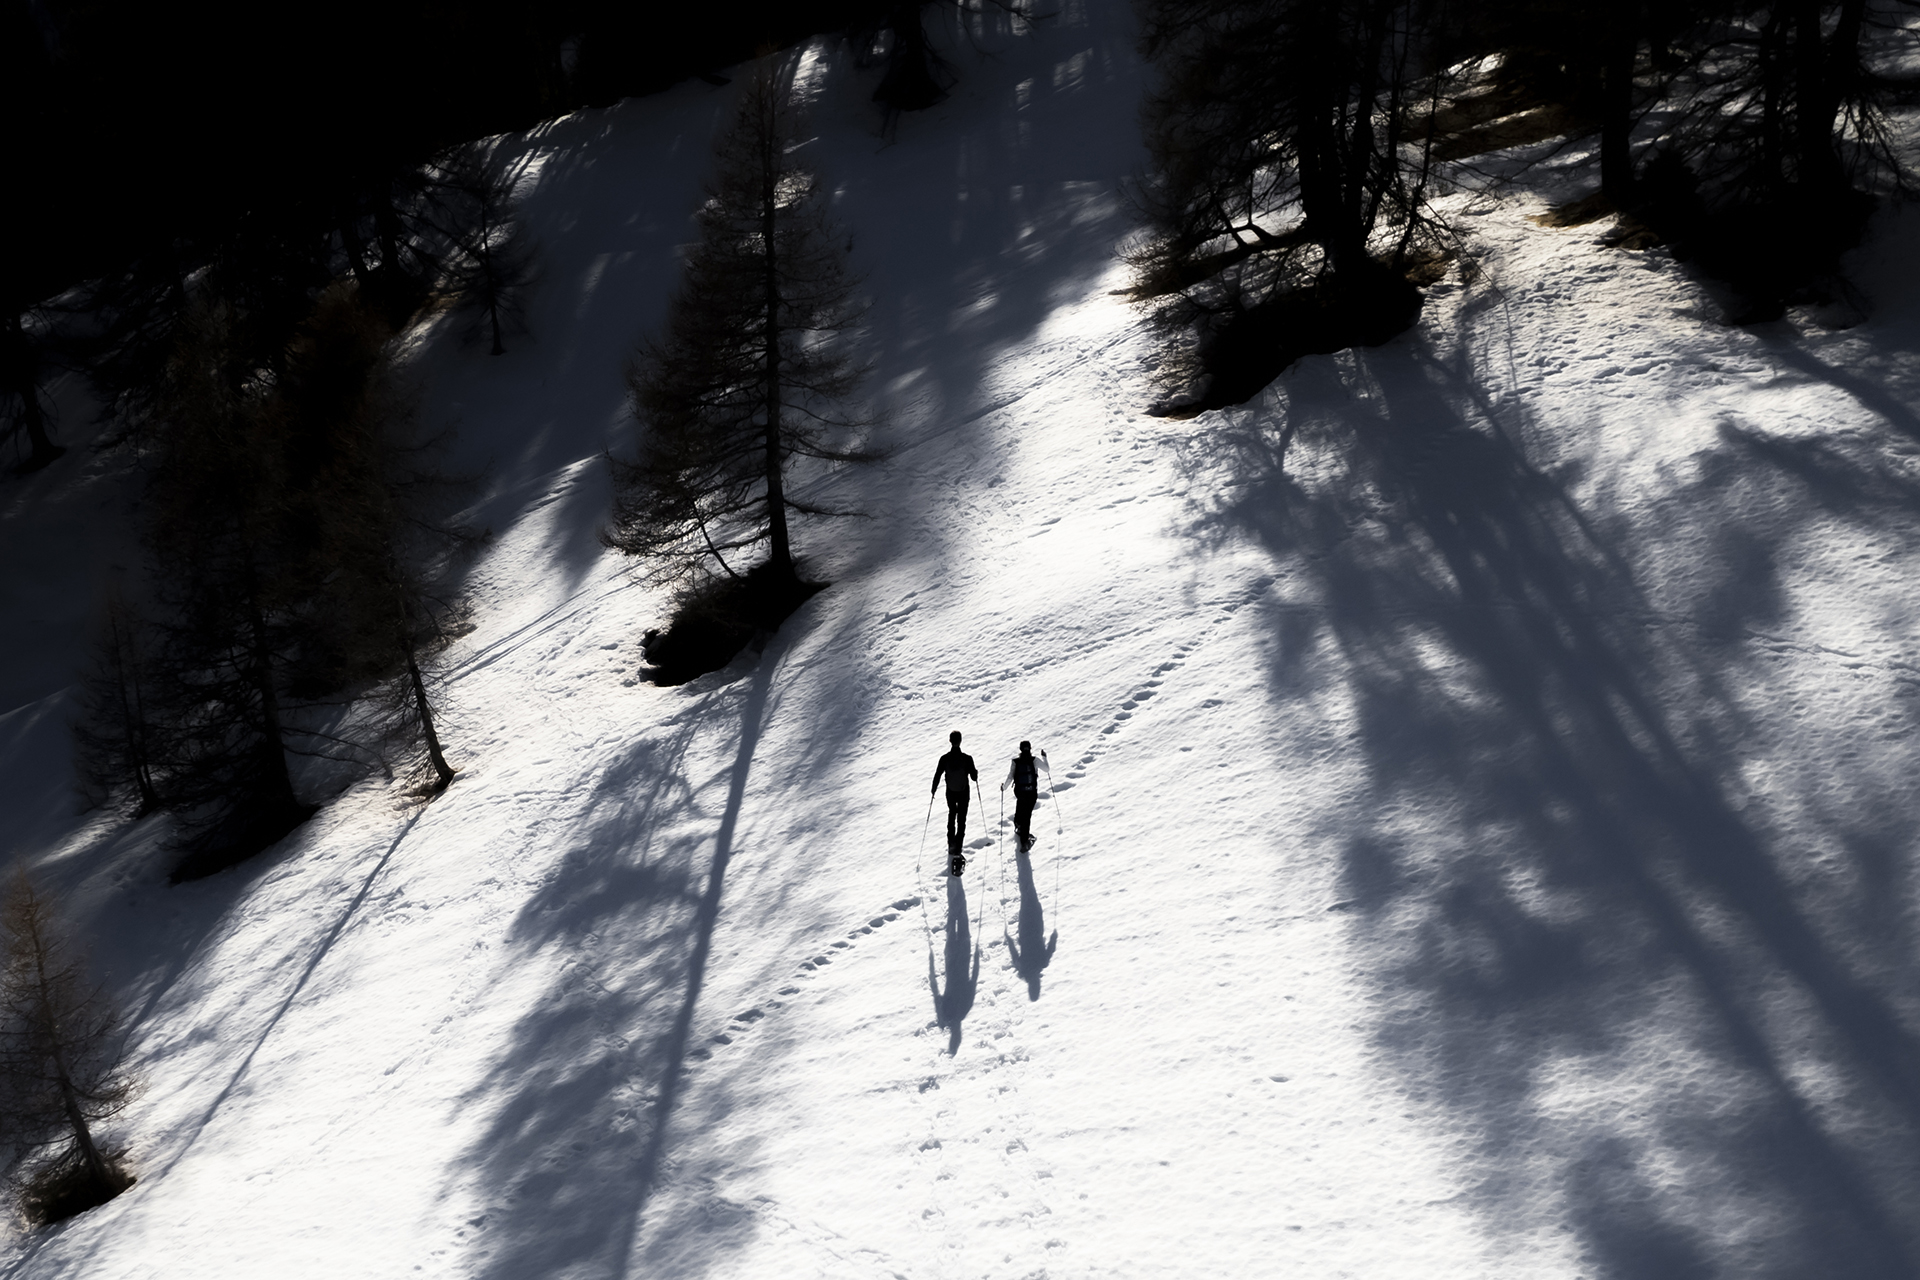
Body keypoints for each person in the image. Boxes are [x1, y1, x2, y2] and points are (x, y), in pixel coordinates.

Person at [930, 730, 978, 866]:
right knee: (961, 819)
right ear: (960, 741)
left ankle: (951, 844)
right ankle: (958, 848)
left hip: (950, 793)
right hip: (964, 793)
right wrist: (975, 773)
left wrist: (933, 790)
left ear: (950, 741)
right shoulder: (967, 758)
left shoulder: (944, 758)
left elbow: (938, 774)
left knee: (952, 815)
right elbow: (974, 777)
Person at [1000, 740, 1040, 853]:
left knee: (1020, 809)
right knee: (1027, 816)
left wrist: (1004, 787)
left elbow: (1010, 776)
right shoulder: (1034, 760)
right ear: (1030, 748)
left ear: (1020, 749)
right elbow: (1047, 769)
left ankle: (1019, 827)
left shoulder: (1016, 761)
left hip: (1020, 792)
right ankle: (1024, 842)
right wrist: (1045, 757)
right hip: (1032, 792)